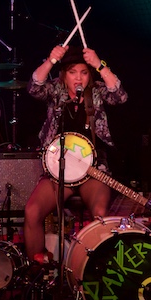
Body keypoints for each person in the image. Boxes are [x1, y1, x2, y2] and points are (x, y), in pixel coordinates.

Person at [23, 44, 128, 263]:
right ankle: (37, 275)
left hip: (93, 171)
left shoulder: (97, 91)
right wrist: (51, 59)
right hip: (59, 172)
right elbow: (34, 87)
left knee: (101, 215)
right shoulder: (55, 90)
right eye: (72, 72)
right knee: (32, 212)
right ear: (64, 75)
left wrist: (99, 64)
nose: (78, 78)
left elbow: (119, 96)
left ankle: (92, 270)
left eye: (83, 72)